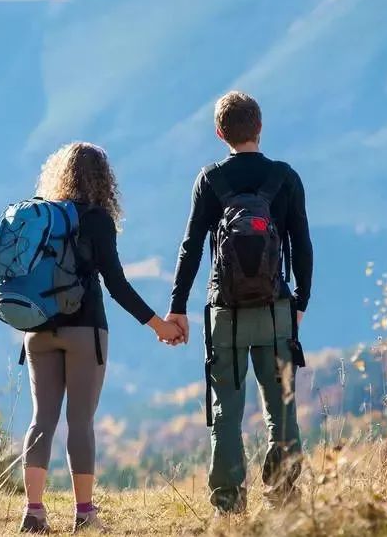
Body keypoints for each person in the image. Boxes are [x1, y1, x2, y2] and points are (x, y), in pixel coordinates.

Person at [19, 142, 186, 533]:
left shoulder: (41, 218)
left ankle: (34, 511)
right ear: (103, 180)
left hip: (37, 330)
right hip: (84, 329)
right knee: (80, 422)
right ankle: (84, 513)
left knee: (41, 420)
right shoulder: (96, 221)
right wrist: (157, 324)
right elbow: (116, 283)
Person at [166, 91, 313, 515]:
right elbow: (302, 246)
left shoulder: (210, 180)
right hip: (275, 309)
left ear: (219, 132)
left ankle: (229, 505)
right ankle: (283, 492)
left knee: (226, 411)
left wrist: (177, 306)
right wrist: (300, 300)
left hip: (225, 313)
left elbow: (191, 246)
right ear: (260, 127)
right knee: (280, 405)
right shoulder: (285, 179)